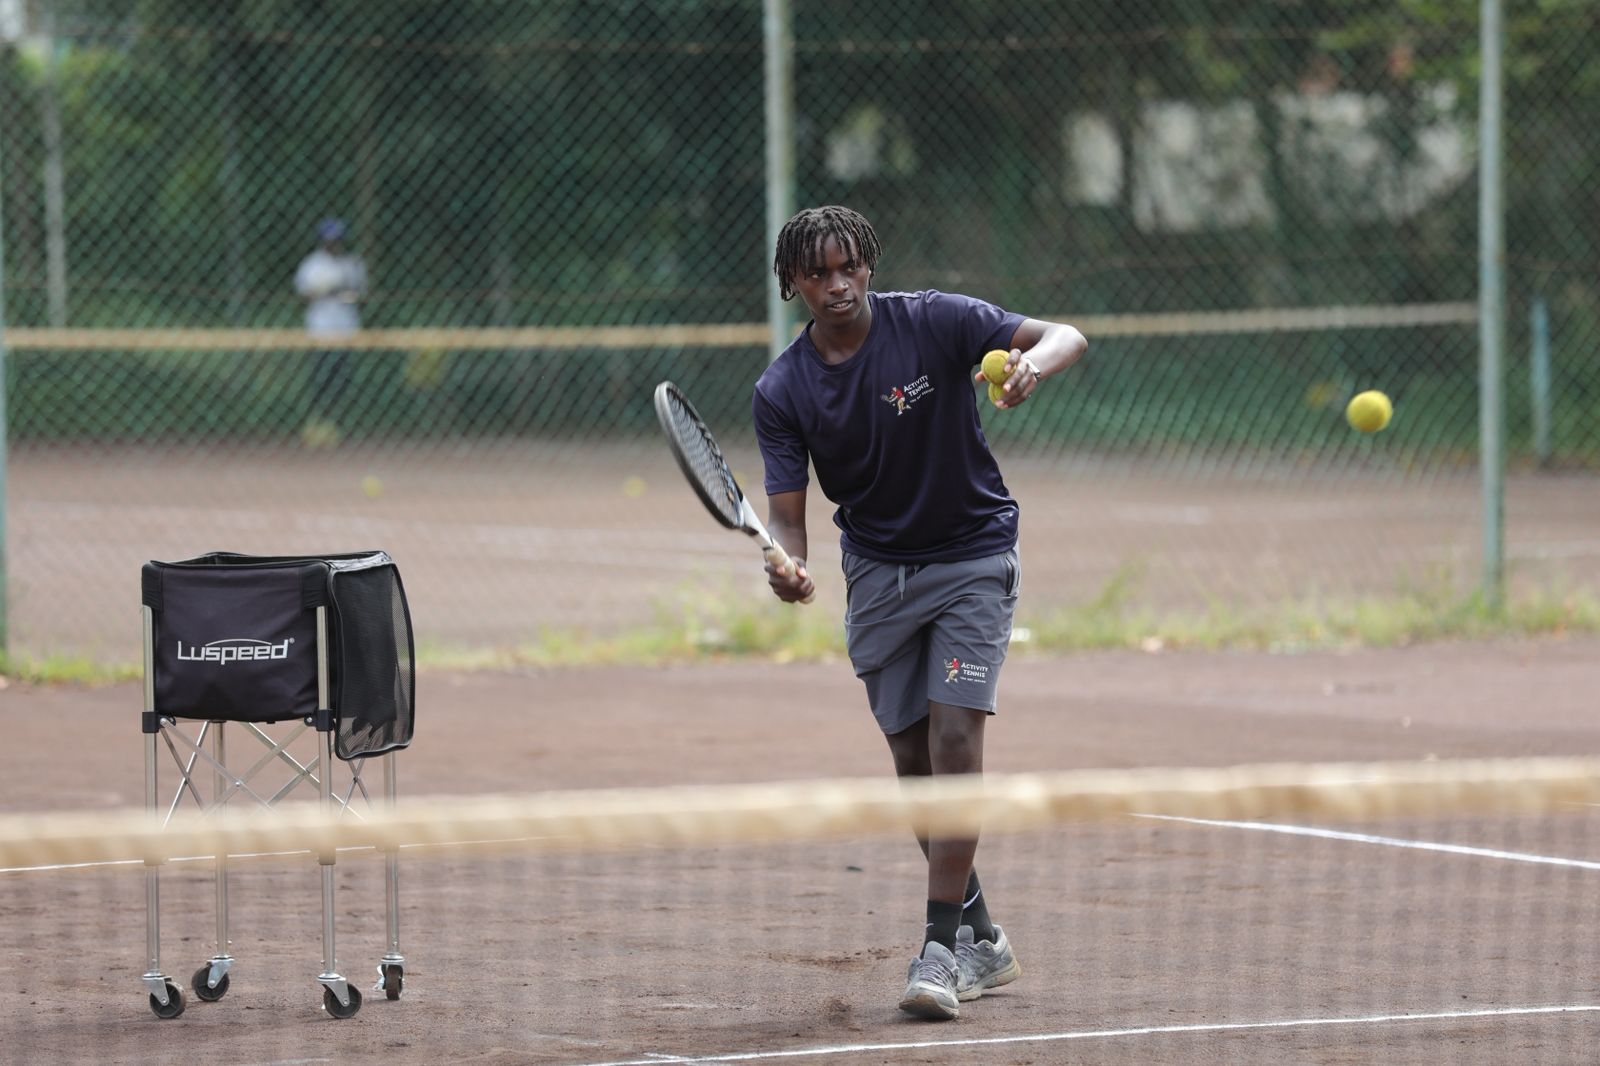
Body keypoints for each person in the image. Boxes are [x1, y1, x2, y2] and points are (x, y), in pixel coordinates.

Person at [752, 205, 1087, 1021]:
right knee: (912, 762)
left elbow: (1067, 335)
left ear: (868, 264)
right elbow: (789, 513)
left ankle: (941, 948)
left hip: (972, 554)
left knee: (954, 735)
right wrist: (789, 563)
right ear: (793, 283)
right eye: (818, 273)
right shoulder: (784, 389)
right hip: (876, 577)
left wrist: (1030, 368)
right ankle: (982, 933)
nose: (837, 284)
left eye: (848, 267)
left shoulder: (935, 321)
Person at [294, 217, 367, 445]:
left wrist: (344, 292)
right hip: (321, 329)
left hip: (346, 329)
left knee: (342, 380)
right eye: (330, 240)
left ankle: (340, 423)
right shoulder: (313, 264)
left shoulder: (352, 264)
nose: (334, 244)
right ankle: (317, 424)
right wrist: (323, 291)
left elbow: (360, 296)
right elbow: (302, 295)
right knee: (320, 379)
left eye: (337, 239)